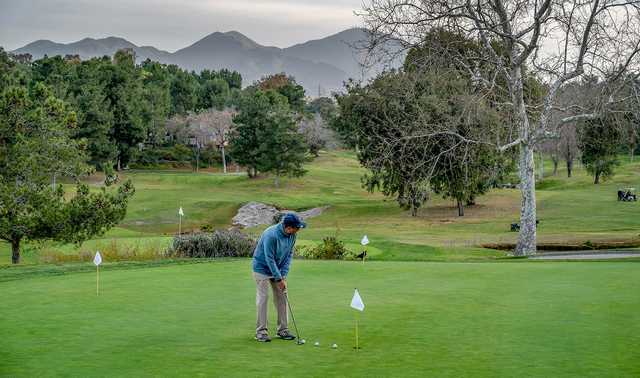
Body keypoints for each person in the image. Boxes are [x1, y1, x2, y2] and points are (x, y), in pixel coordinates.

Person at [252, 213, 306, 342]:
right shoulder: (271, 235)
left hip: (278, 268)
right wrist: (278, 278)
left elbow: (289, 255)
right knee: (263, 298)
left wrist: (283, 276)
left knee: (282, 296)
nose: (298, 230)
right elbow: (269, 258)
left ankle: (283, 330)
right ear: (287, 227)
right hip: (262, 268)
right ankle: (261, 332)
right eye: (296, 228)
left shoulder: (292, 235)